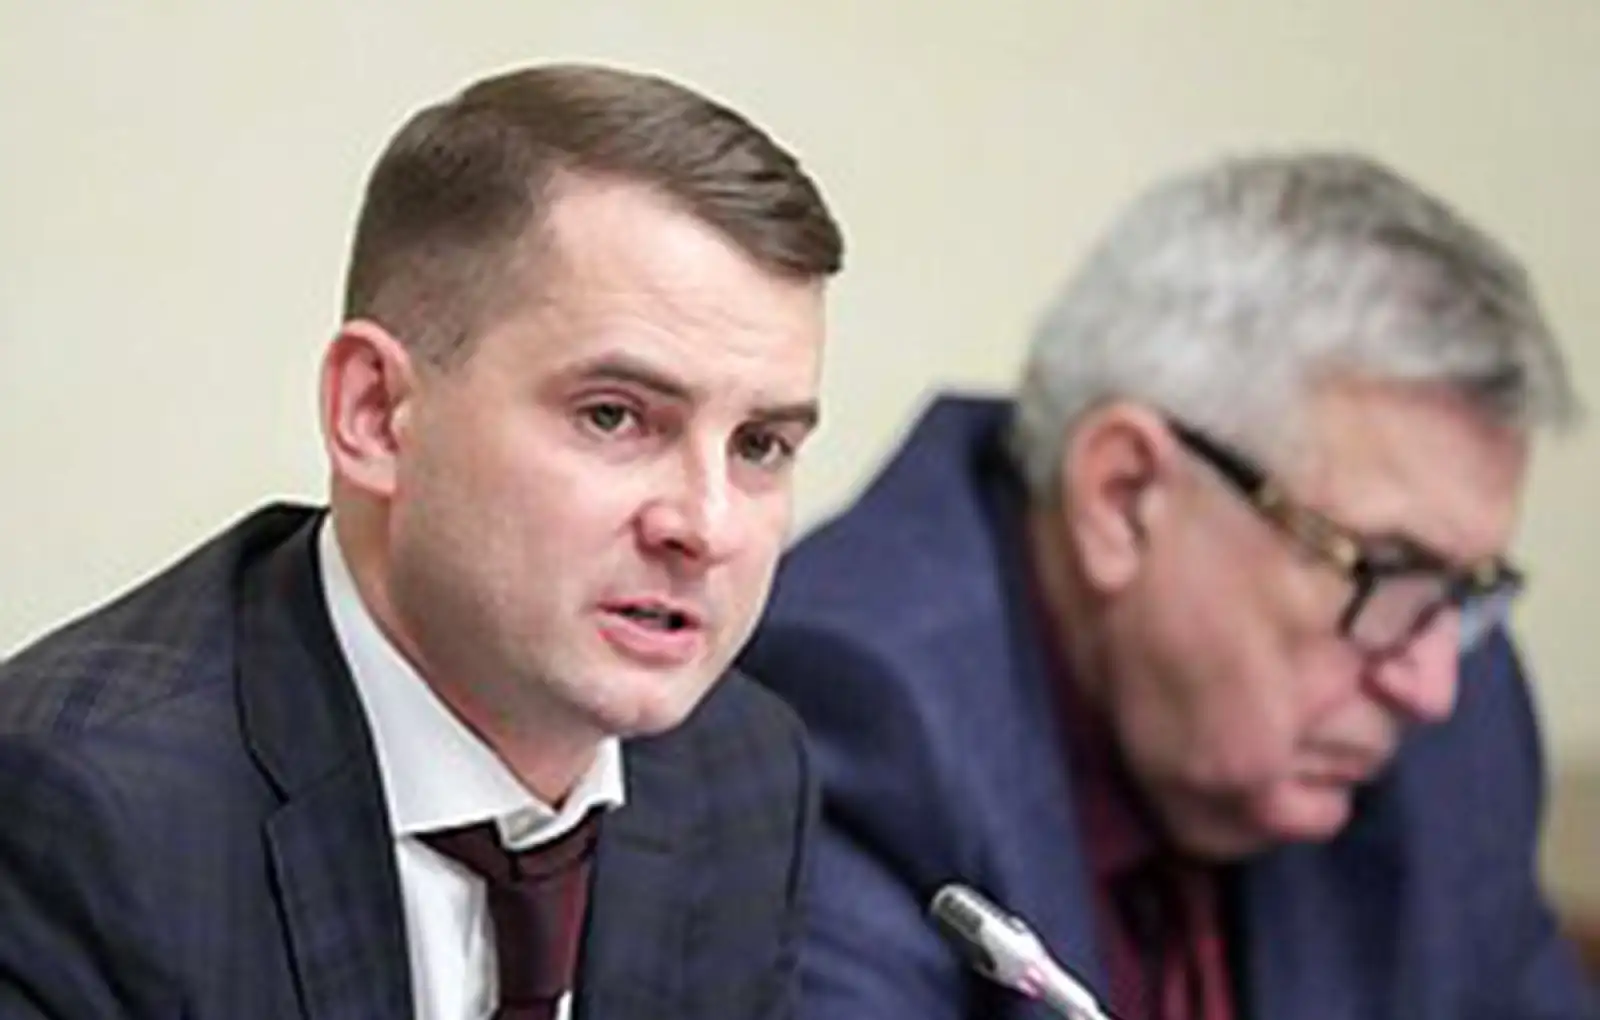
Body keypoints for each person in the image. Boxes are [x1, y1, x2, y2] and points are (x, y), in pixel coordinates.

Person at [0, 62, 843, 1020]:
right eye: (614, 416)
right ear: (375, 413)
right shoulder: (75, 818)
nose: (705, 526)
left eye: (760, 445)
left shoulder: (740, 773)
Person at [740, 151, 1597, 1019]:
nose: (1432, 683)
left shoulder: (1460, 734)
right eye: (1385, 570)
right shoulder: (844, 721)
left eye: (1461, 592)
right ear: (1124, 498)